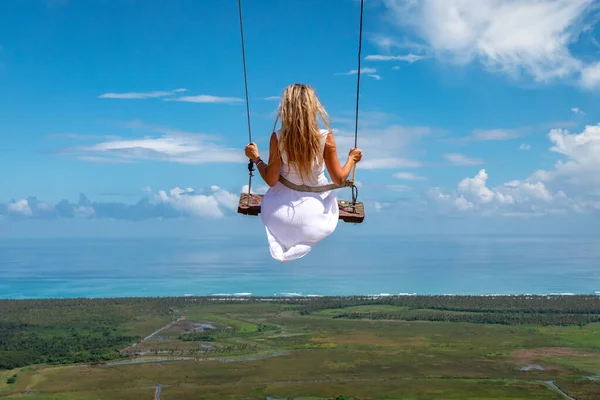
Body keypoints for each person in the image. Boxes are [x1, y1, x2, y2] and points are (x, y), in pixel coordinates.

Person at [244, 83, 363, 262]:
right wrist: (351, 159)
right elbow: (339, 179)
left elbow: (271, 180)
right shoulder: (324, 137)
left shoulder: (278, 137)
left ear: (286, 108)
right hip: (315, 218)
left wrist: (256, 158)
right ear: (314, 107)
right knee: (314, 226)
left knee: (277, 217)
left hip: (279, 217)